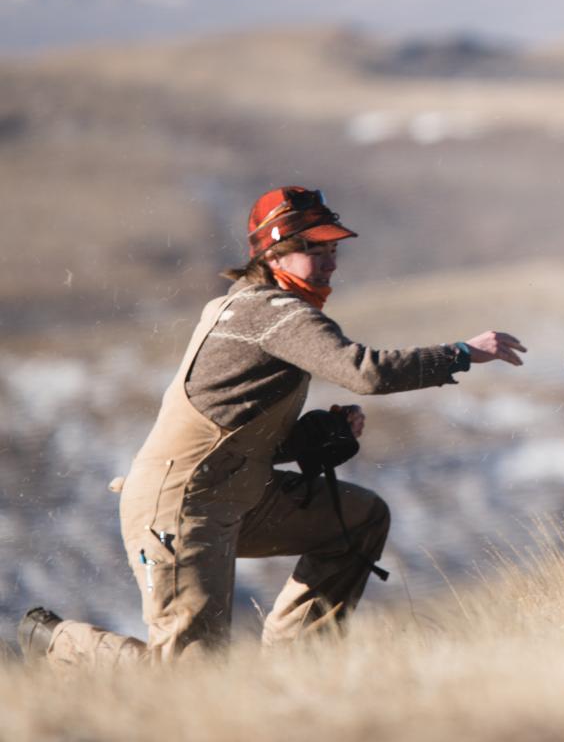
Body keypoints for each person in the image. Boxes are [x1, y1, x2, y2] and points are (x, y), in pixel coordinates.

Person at [18, 186, 525, 665]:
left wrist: (306, 437)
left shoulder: (263, 311)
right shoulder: (272, 312)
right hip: (179, 505)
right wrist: (461, 353)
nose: (328, 260)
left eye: (332, 248)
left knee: (359, 519)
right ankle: (60, 642)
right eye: (312, 247)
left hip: (235, 495)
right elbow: (363, 372)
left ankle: (293, 666)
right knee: (187, 678)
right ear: (273, 256)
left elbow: (234, 430)